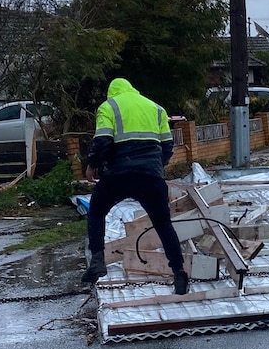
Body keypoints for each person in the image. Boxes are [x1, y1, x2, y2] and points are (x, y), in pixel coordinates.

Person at [81, 78, 189, 295]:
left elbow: (102, 140)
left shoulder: (109, 106)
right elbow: (168, 145)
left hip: (118, 174)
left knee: (96, 211)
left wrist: (92, 165)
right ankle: (179, 273)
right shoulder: (156, 108)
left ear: (112, 93)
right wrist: (158, 166)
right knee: (163, 224)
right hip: (150, 175)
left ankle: (98, 261)